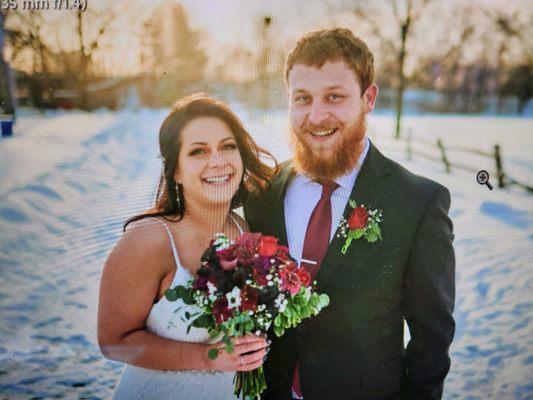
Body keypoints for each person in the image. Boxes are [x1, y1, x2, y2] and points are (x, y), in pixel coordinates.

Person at [245, 28, 455, 400]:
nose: (316, 115)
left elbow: (431, 342)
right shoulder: (263, 192)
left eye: (334, 97)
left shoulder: (418, 202)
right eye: (303, 98)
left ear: (368, 98)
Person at [98, 94, 277, 400]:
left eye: (228, 146)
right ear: (176, 170)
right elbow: (113, 342)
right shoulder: (148, 241)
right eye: (198, 151)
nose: (217, 161)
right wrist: (207, 357)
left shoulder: (243, 231)